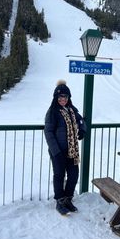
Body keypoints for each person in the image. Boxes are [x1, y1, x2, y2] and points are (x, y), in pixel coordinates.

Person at [44, 80, 86, 215]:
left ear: (69, 98)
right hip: (58, 151)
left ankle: (68, 198)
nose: (63, 99)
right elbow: (49, 132)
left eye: (65, 97)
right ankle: (60, 201)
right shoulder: (52, 112)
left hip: (72, 150)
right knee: (59, 175)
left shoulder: (72, 110)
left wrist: (82, 129)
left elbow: (81, 120)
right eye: (60, 97)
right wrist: (56, 152)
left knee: (74, 175)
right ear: (56, 98)